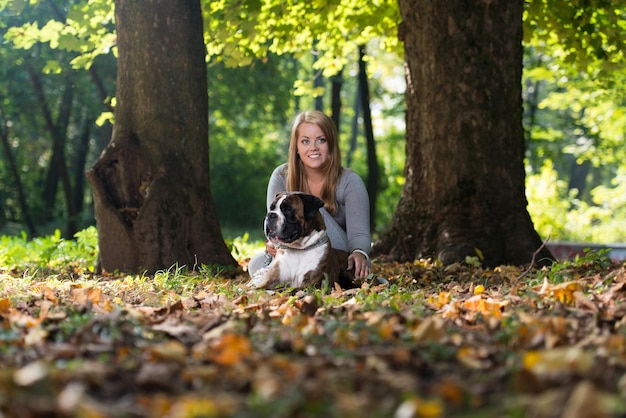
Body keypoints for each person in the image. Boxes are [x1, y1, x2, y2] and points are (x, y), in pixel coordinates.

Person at [248, 110, 372, 280]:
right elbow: (277, 224)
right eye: (305, 141)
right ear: (296, 147)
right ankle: (302, 278)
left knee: (313, 210)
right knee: (256, 264)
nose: (313, 147)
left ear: (331, 144)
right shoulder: (281, 176)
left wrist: (359, 252)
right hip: (294, 251)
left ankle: (325, 277)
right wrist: (274, 244)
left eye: (321, 140)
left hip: (340, 256)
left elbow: (359, 235)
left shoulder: (349, 181)